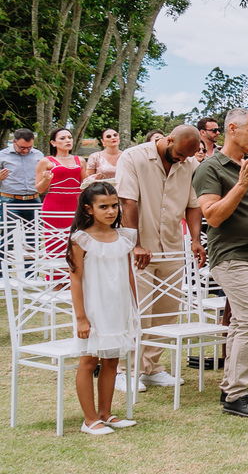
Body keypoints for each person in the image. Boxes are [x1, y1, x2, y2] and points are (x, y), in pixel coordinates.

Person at [192, 108, 248, 418]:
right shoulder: (210, 168)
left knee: (242, 321)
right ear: (232, 129)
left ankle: (233, 386)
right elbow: (212, 215)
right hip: (230, 256)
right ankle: (235, 397)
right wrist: (240, 185)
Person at [113, 125, 205, 394]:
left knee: (167, 312)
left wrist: (196, 240)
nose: (181, 159)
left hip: (172, 246)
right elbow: (126, 201)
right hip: (141, 249)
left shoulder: (188, 165)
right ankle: (126, 370)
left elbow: (193, 204)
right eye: (178, 153)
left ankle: (152, 368)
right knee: (138, 311)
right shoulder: (133, 157)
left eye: (187, 156)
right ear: (169, 139)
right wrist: (135, 243)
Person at [66, 181, 139, 435]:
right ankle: (89, 419)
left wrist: (134, 305)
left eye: (114, 206)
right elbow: (75, 279)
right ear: (88, 209)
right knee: (89, 361)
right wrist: (81, 318)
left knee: (111, 360)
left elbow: (128, 273)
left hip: (118, 305)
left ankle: (105, 413)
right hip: (94, 307)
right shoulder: (81, 239)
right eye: (103, 207)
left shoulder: (126, 236)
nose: (111, 211)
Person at [36, 128, 83, 249]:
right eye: (62, 138)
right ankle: (56, 268)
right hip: (54, 205)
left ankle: (76, 267)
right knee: (55, 240)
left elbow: (85, 184)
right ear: (53, 143)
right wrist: (46, 180)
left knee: (78, 239)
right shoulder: (46, 161)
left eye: (69, 137)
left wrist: (94, 178)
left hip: (77, 204)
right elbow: (39, 189)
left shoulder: (80, 160)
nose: (67, 140)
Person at [0, 128, 45, 221]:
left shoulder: (39, 155)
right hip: (10, 200)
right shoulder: (2, 155)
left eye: (29, 147)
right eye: (22, 148)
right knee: (10, 233)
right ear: (13, 142)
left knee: (34, 234)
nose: (25, 150)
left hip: (34, 200)